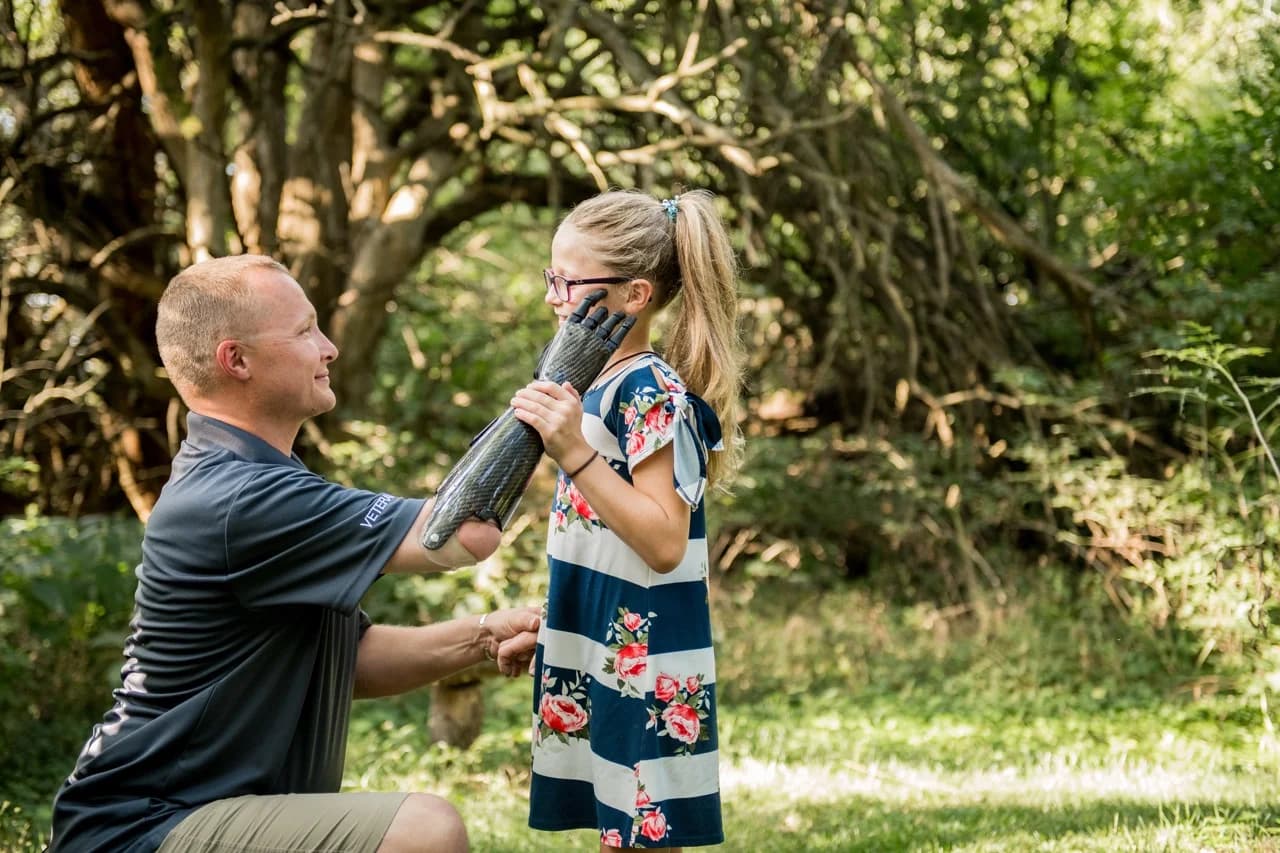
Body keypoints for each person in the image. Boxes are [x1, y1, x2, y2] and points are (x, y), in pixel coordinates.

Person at [48, 254, 540, 853]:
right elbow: (467, 533)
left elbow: (345, 659)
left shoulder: (251, 479)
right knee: (425, 830)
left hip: (182, 817)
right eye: (305, 330)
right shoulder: (240, 498)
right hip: (142, 826)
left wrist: (483, 636)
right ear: (238, 360)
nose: (329, 347)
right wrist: (564, 380)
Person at [510, 189, 744, 850]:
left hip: (643, 650)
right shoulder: (591, 380)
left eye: (568, 281)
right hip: (600, 632)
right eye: (550, 276)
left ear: (636, 294)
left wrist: (574, 451)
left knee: (640, 827)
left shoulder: (651, 392)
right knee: (615, 818)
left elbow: (664, 539)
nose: (553, 295)